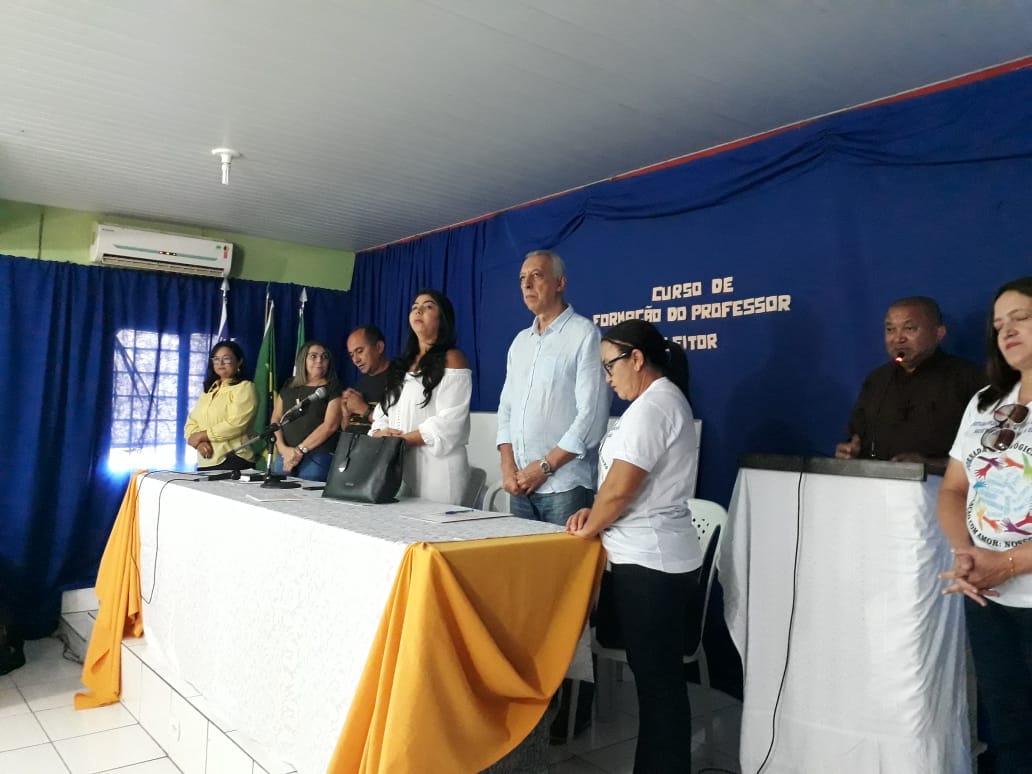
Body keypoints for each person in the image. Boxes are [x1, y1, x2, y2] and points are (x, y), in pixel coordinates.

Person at [566, 319, 700, 774]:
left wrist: (589, 529)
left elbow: (622, 490)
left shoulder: (653, 406)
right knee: (655, 684)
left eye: (610, 366)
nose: (608, 378)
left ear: (636, 359)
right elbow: (616, 486)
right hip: (645, 557)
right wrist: (593, 514)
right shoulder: (651, 402)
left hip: (652, 564)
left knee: (659, 687)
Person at [939, 276, 1032, 773]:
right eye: (999, 324)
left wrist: (1012, 562)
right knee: (1010, 729)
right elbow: (954, 489)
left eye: (1022, 318)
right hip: (989, 596)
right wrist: (966, 554)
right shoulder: (985, 403)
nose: (1007, 331)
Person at [497, 249, 610, 525]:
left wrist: (545, 467)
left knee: (563, 569)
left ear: (560, 283)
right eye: (522, 278)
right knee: (523, 568)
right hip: (521, 485)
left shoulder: (584, 335)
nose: (526, 284)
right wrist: (508, 467)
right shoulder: (519, 342)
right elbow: (506, 409)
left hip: (565, 487)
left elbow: (591, 418)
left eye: (537, 276)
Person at [835, 296, 983, 464]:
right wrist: (849, 450)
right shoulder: (877, 380)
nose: (898, 338)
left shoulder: (966, 378)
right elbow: (855, 436)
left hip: (939, 486)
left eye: (909, 328)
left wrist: (931, 464)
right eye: (890, 329)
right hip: (874, 484)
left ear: (938, 333)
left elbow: (986, 453)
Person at [370, 289, 472, 503]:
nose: (419, 311)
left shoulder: (453, 358)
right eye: (415, 307)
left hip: (439, 469)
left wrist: (400, 441)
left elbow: (450, 421)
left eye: (428, 306)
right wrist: (380, 433)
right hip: (399, 465)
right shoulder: (401, 365)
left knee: (435, 534)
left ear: (441, 318)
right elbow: (381, 413)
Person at [271, 341, 343, 482]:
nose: (319, 361)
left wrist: (299, 451)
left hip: (317, 455)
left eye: (324, 357)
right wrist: (283, 448)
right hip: (285, 454)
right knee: (276, 493)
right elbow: (276, 419)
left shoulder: (333, 387)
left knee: (308, 495)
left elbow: (330, 426)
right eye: (313, 356)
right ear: (303, 359)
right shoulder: (289, 385)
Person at [184, 340, 257, 471]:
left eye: (226, 359)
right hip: (206, 460)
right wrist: (199, 443)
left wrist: (202, 436)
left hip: (234, 460)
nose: (220, 363)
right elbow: (192, 421)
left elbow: (236, 424)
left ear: (239, 361)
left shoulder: (245, 388)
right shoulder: (210, 390)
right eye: (216, 359)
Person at [341, 325, 390, 434]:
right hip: (349, 448)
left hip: (375, 448)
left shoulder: (399, 378)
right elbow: (346, 429)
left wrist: (364, 410)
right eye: (351, 355)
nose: (355, 360)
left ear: (379, 347)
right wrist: (346, 414)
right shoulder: (360, 383)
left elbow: (398, 425)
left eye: (360, 351)